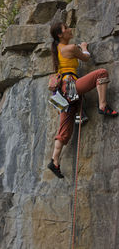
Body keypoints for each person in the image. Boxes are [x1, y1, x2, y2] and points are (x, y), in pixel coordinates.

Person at [48, 22, 118, 179]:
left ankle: (55, 161)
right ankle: (103, 105)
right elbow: (86, 58)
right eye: (66, 28)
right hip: (70, 87)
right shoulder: (70, 48)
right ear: (60, 34)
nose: (69, 29)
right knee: (101, 73)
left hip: (62, 92)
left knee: (64, 130)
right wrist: (85, 47)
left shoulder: (57, 49)